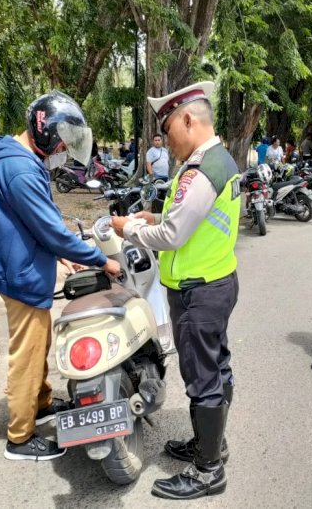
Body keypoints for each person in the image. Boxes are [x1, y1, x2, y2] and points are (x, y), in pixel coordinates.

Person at [0, 91, 122, 462]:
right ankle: (20, 438)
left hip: (16, 262)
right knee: (28, 351)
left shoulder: (19, 158)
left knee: (40, 339)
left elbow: (38, 224)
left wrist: (59, 255)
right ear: (45, 131)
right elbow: (51, 229)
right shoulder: (20, 169)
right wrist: (101, 261)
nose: (63, 149)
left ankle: (41, 405)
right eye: (62, 141)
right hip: (16, 272)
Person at [110, 81, 240, 500]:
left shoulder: (203, 168)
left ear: (189, 119)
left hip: (199, 291)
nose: (166, 142)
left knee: (202, 378)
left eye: (168, 131)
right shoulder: (218, 160)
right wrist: (154, 213)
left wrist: (128, 228)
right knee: (216, 367)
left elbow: (172, 233)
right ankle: (211, 444)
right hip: (216, 281)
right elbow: (189, 215)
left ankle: (208, 471)